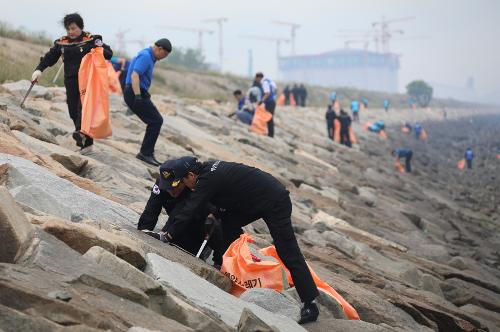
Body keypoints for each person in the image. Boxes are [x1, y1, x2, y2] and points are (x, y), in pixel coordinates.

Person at [158, 157, 320, 324]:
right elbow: (226, 195)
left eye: (182, 182)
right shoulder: (207, 172)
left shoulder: (207, 179)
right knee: (228, 225)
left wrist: (168, 235)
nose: (184, 187)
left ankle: (310, 303)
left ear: (191, 175)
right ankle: (230, 268)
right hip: (252, 201)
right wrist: (216, 213)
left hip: (275, 200)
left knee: (287, 251)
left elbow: (191, 208)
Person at [31, 13, 113, 153]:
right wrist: (39, 70)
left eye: (73, 28)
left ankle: (81, 132)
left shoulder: (90, 40)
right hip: (70, 80)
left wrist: (98, 47)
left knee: (83, 108)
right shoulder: (62, 43)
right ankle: (86, 144)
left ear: (80, 27)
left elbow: (109, 54)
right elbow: (50, 58)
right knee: (72, 110)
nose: (70, 32)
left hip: (87, 81)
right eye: (68, 29)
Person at [138, 160, 224, 267]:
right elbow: (151, 210)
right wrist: (142, 234)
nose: (172, 190)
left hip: (198, 228)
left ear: (184, 180)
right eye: (168, 186)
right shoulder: (161, 184)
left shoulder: (196, 188)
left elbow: (183, 213)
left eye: (175, 186)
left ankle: (207, 250)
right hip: (176, 227)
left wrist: (165, 234)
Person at [124, 38, 172, 166]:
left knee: (155, 121)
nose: (163, 58)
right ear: (159, 49)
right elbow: (135, 75)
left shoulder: (150, 57)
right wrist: (138, 96)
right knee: (156, 121)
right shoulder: (146, 56)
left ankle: (148, 153)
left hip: (137, 92)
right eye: (164, 55)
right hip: (135, 92)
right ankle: (145, 153)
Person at [255, 72, 277, 137]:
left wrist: (261, 101)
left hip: (269, 102)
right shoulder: (270, 81)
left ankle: (270, 134)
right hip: (272, 101)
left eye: (257, 79)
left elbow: (267, 93)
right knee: (270, 117)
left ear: (259, 77)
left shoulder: (264, 83)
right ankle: (270, 133)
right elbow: (275, 89)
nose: (257, 81)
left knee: (269, 118)